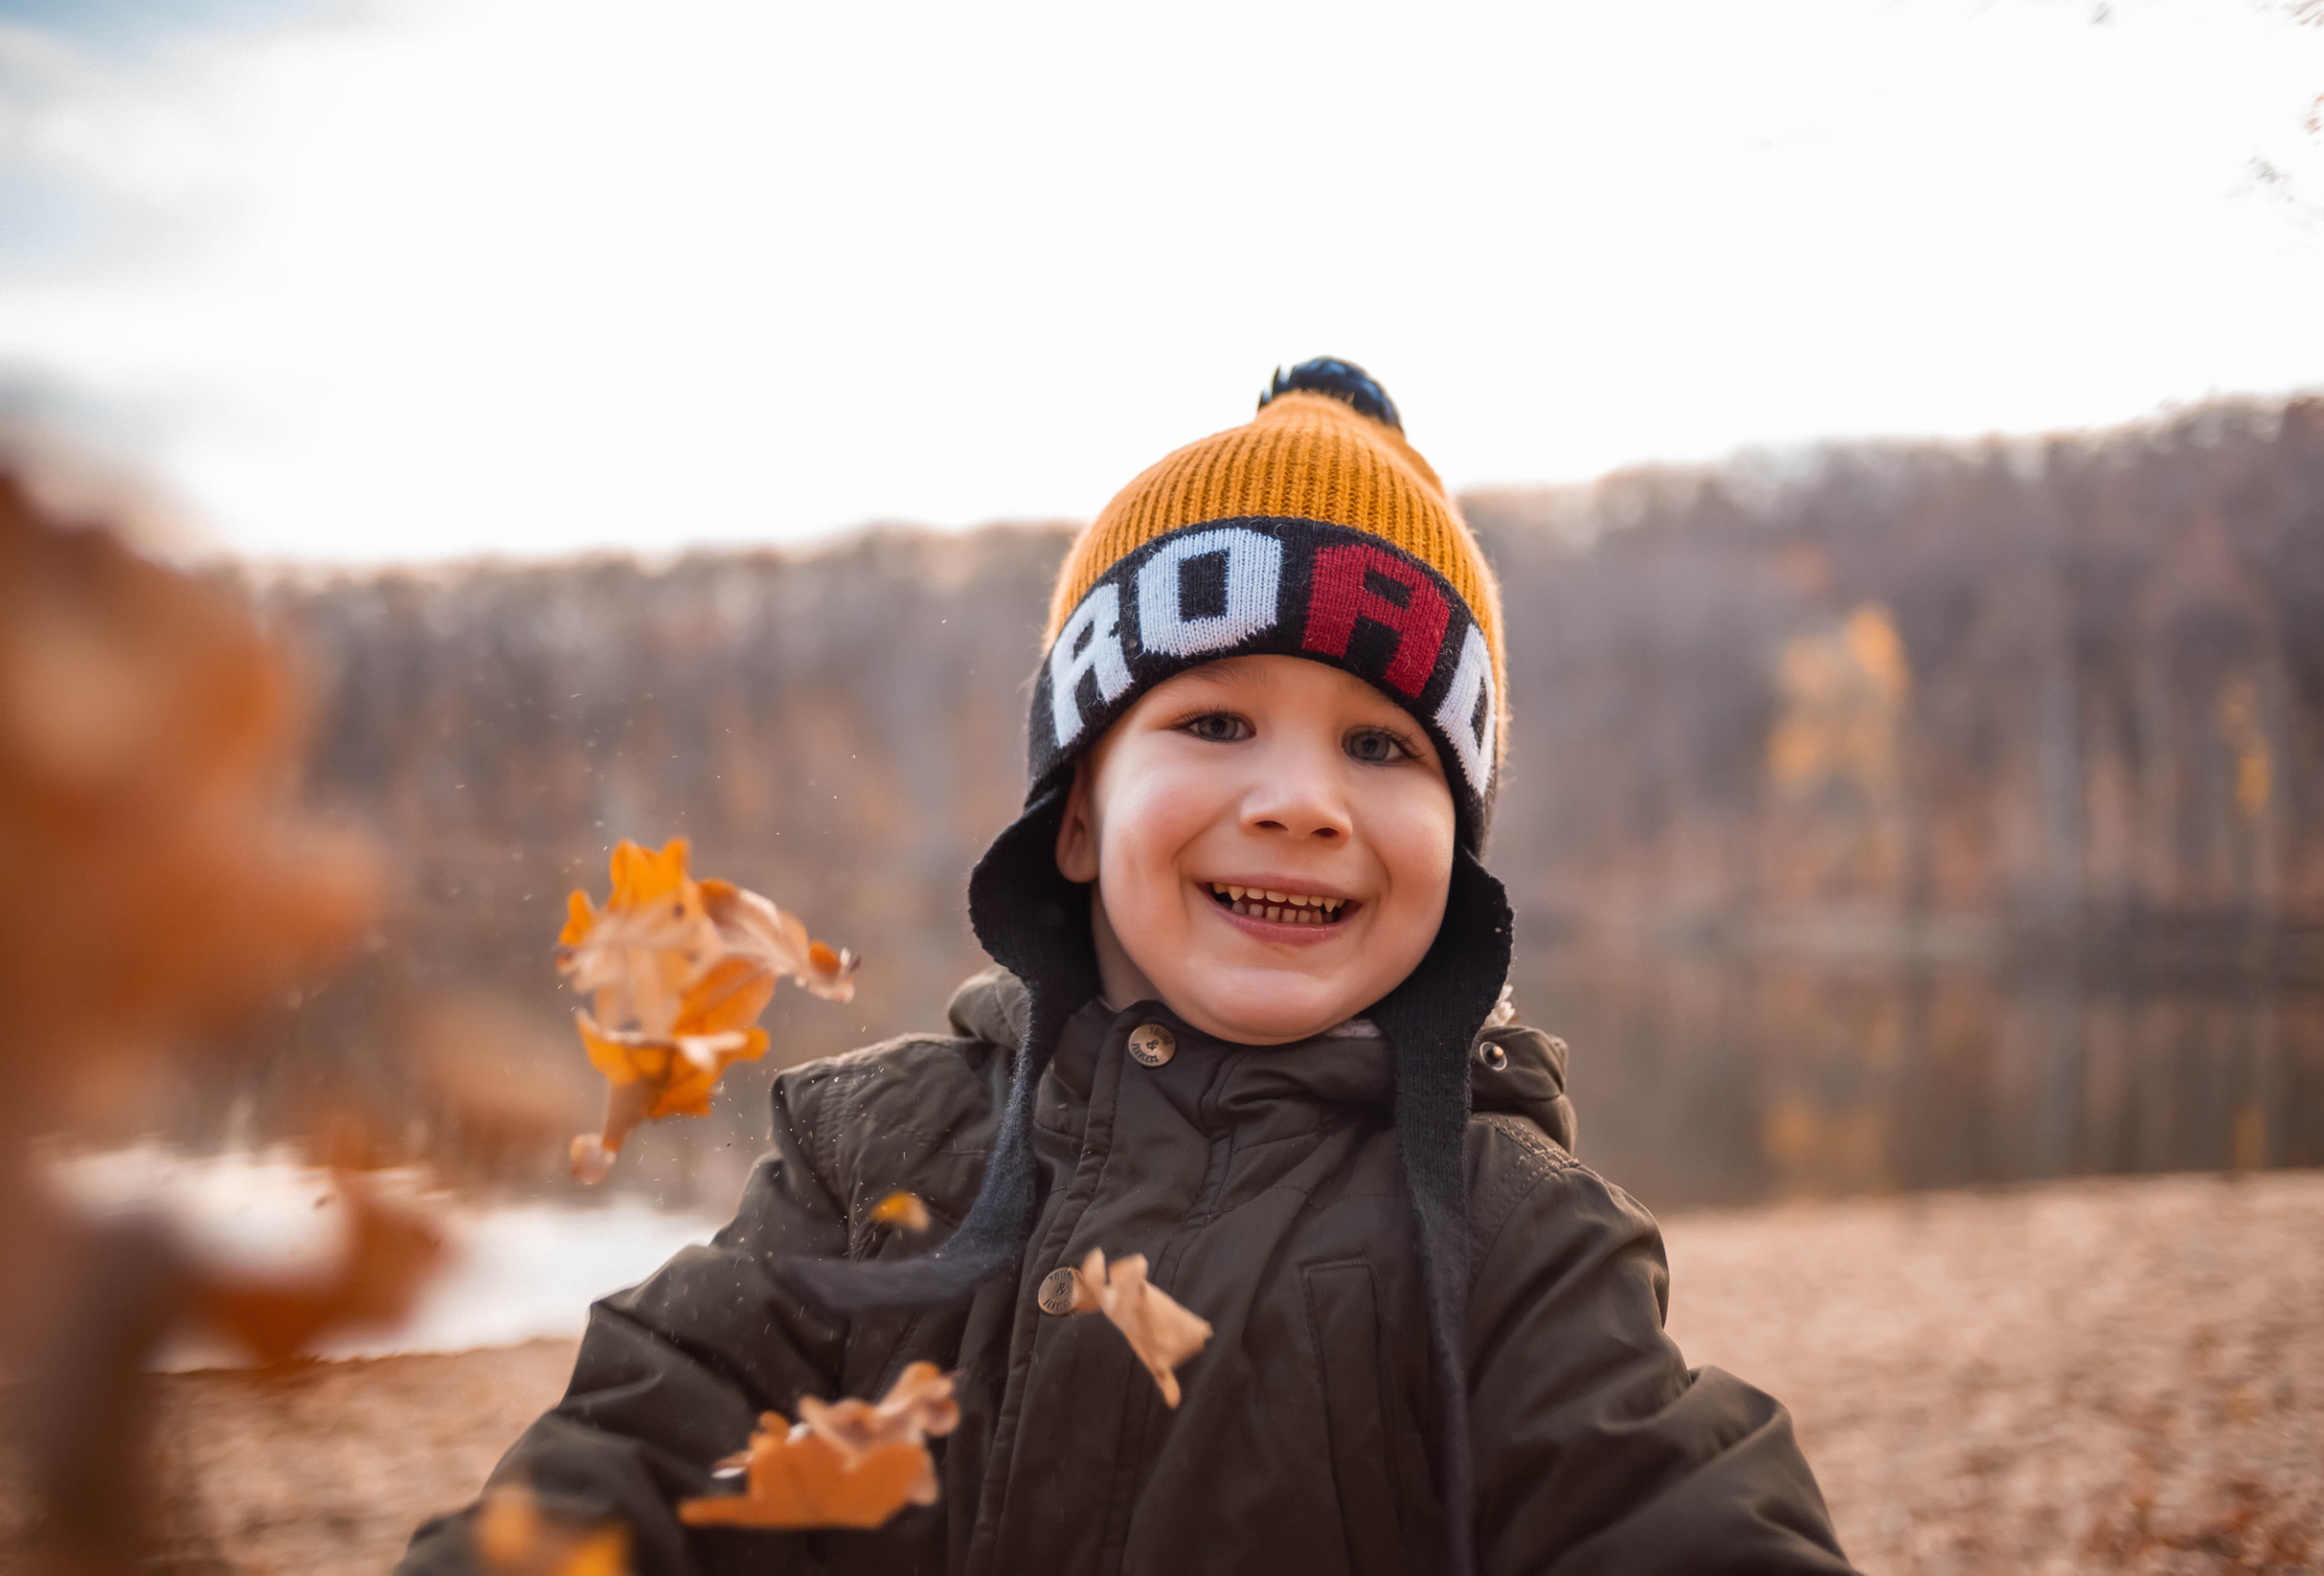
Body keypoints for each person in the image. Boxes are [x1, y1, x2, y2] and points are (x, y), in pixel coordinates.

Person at [399, 360, 1854, 1576]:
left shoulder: (1511, 1237)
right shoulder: (872, 1161)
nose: (1303, 801)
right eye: (1217, 724)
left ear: (1456, 852)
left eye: (1382, 745)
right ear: (1078, 815)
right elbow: (648, 1447)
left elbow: (1673, 1509)